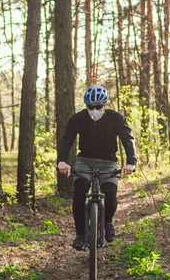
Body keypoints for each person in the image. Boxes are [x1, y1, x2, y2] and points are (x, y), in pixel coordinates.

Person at [57, 85, 137, 250]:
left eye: (98, 107)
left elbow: (128, 140)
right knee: (80, 190)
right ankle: (80, 234)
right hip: (85, 160)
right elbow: (67, 140)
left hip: (108, 163)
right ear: (86, 105)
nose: (94, 111)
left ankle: (107, 221)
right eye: (90, 107)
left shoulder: (116, 118)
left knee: (110, 194)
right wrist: (62, 161)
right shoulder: (78, 119)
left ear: (105, 104)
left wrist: (131, 162)